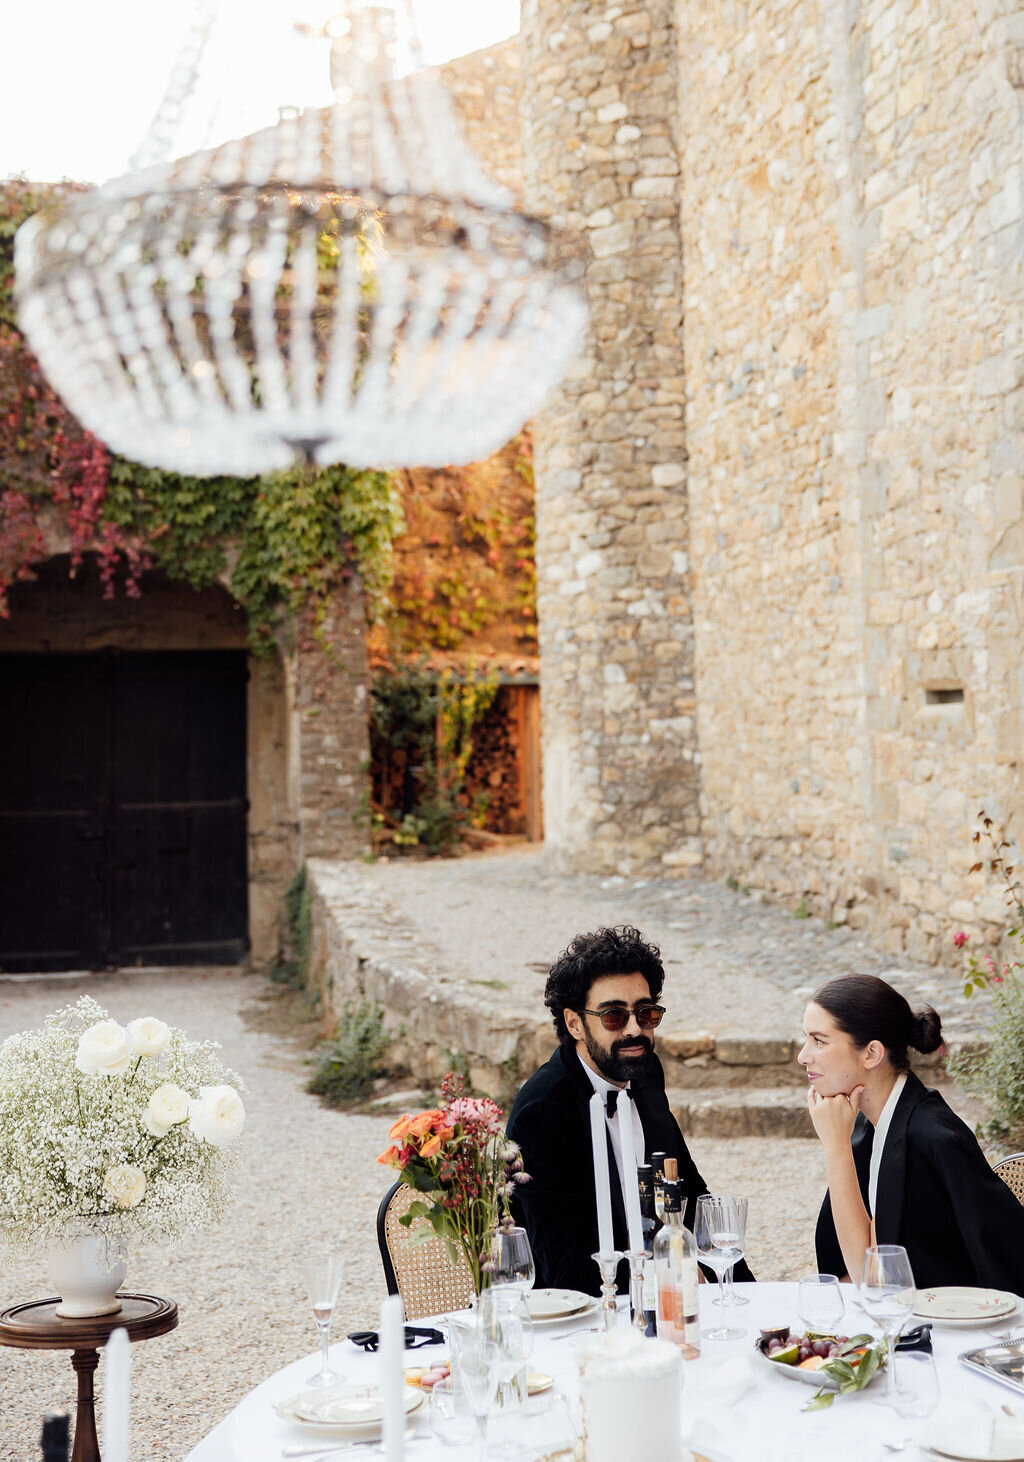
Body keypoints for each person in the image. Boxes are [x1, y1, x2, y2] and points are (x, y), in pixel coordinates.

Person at [507, 924, 754, 1295]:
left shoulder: (644, 1069)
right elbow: (565, 1267)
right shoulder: (543, 1112)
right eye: (614, 1016)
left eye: (646, 1013)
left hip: (665, 1298)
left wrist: (746, 1294)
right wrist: (670, 1279)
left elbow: (688, 1192)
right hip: (581, 1312)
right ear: (574, 1023)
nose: (635, 1029)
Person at [800, 972, 1024, 1291]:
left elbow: (870, 1275)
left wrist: (836, 1147)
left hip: (961, 1317)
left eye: (819, 1041)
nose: (803, 1056)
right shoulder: (872, 1124)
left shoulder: (932, 1138)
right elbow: (851, 1272)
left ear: (872, 1054)